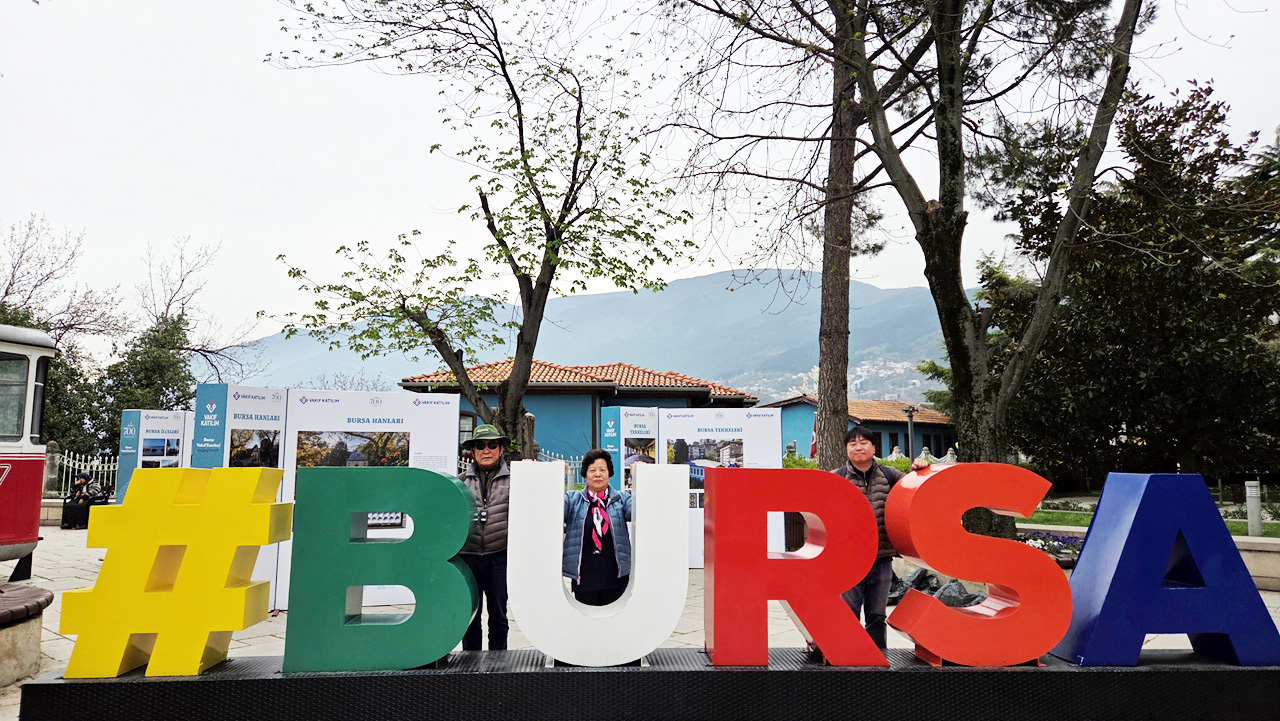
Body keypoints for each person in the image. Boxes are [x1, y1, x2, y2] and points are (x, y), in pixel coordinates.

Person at [831, 425, 926, 649]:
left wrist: (921, 469)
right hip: (849, 561)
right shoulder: (837, 478)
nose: (858, 447)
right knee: (848, 614)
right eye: (852, 444)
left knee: (876, 615)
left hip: (881, 558)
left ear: (874, 448)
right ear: (846, 449)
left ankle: (878, 657)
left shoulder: (890, 475)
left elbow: (918, 489)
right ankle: (848, 657)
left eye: (864, 442)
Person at [458, 424, 513, 650]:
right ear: (473, 451)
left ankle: (499, 662)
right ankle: (471, 663)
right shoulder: (461, 482)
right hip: (468, 558)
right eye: (480, 445)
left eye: (492, 444)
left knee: (499, 616)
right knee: (470, 617)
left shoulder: (514, 481)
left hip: (499, 557)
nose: (486, 450)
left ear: (501, 449)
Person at [563, 449, 633, 606]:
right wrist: (558, 476)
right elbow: (553, 508)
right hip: (584, 578)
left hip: (615, 577)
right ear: (585, 474)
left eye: (602, 470)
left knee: (616, 619)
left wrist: (639, 478)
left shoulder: (622, 499)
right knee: (585, 620)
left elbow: (639, 511)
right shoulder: (572, 499)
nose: (597, 474)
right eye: (592, 470)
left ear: (609, 473)